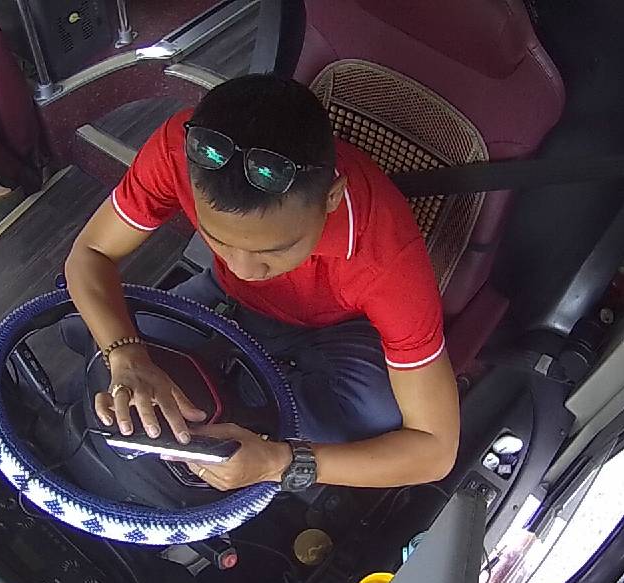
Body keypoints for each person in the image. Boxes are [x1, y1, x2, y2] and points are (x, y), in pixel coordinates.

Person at [63, 74, 459, 492]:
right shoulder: (179, 152)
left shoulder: (387, 256)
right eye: (218, 240)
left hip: (343, 330)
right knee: (86, 332)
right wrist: (127, 356)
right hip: (225, 297)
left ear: (331, 197)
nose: (246, 269)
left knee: (371, 422)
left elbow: (436, 449)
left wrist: (280, 463)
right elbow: (90, 253)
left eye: (274, 250)